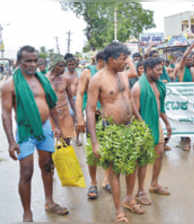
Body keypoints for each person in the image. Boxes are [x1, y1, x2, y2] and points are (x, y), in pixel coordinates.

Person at [1, 46, 68, 222]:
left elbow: (52, 104)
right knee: (26, 172)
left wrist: (58, 126)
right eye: (28, 61)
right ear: (18, 62)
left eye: (34, 60)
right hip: (26, 131)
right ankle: (27, 212)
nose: (32, 64)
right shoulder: (10, 85)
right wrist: (11, 141)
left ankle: (50, 202)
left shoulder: (43, 80)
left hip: (45, 127)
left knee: (47, 166)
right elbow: (6, 114)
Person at [86, 42, 144, 223]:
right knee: (114, 172)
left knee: (132, 166)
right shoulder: (97, 79)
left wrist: (139, 120)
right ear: (110, 59)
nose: (125, 62)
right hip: (110, 130)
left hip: (129, 127)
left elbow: (129, 99)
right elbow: (89, 109)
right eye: (122, 59)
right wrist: (95, 142)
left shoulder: (123, 75)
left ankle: (130, 200)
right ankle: (119, 211)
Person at [131, 57, 172, 207]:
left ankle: (154, 184)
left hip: (156, 124)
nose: (161, 73)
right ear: (148, 70)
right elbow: (135, 112)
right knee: (142, 161)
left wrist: (167, 123)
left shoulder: (159, 85)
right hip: (143, 127)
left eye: (162, 69)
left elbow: (160, 108)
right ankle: (140, 191)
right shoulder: (138, 87)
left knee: (159, 154)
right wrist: (144, 129)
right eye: (158, 70)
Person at [75, 51, 112, 199]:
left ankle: (107, 180)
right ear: (101, 61)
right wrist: (79, 117)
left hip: (109, 118)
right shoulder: (87, 73)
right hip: (93, 118)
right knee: (92, 153)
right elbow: (79, 94)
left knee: (110, 149)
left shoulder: (111, 74)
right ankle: (93, 182)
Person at [173, 34, 194, 151]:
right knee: (184, 121)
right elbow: (185, 55)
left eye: (192, 59)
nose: (191, 61)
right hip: (182, 100)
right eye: (189, 59)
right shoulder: (181, 68)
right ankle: (186, 142)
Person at [46, 59, 76, 143]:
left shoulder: (66, 79)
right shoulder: (45, 79)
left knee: (67, 139)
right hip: (51, 114)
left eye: (64, 66)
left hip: (64, 113)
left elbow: (70, 98)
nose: (64, 68)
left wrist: (76, 113)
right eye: (61, 66)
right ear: (54, 66)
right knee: (51, 142)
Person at [63, 55, 80, 144]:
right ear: (67, 65)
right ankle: (68, 138)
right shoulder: (64, 75)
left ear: (76, 65)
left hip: (78, 98)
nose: (71, 66)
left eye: (73, 64)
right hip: (67, 100)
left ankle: (77, 138)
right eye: (69, 64)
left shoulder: (79, 73)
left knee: (78, 119)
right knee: (69, 120)